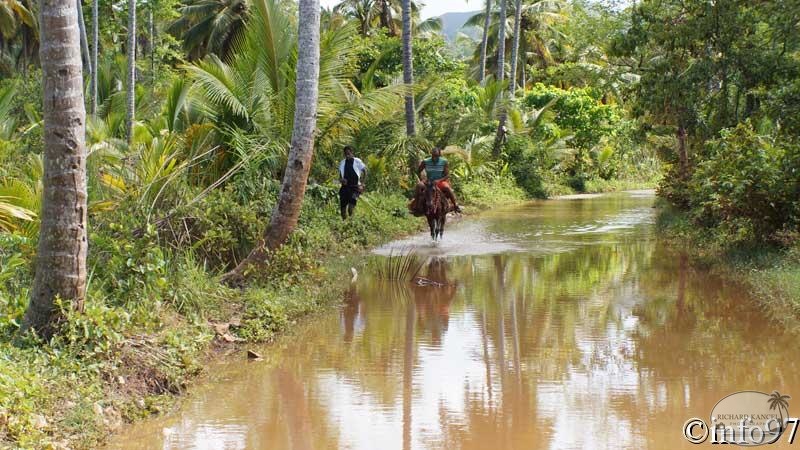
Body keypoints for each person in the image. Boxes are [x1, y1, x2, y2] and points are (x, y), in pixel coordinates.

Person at [416, 147, 461, 213]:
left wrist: (439, 180)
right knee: (419, 185)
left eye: (436, 156)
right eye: (433, 155)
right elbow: (418, 171)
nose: (434, 157)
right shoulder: (425, 161)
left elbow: (447, 175)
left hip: (440, 181)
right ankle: (417, 205)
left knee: (447, 188)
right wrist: (422, 179)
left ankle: (455, 205)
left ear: (439, 155)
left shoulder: (444, 162)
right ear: (431, 154)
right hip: (429, 182)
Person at [338, 146, 367, 220]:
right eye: (345, 154)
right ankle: (344, 223)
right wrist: (342, 180)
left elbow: (365, 171)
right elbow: (340, 177)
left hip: (355, 188)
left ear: (352, 153)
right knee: (343, 209)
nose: (347, 155)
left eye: (348, 153)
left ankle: (352, 222)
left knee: (351, 208)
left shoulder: (357, 161)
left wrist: (362, 184)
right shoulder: (342, 163)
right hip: (345, 188)